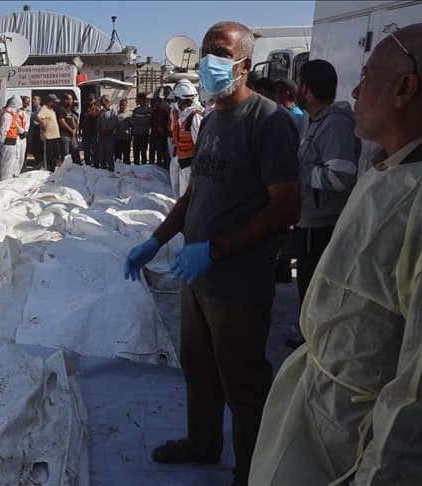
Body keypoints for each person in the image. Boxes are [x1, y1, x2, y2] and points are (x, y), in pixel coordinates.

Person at [251, 23, 422, 485]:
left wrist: (377, 474)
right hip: (323, 415)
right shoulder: (390, 169)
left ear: (404, 88)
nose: (354, 91)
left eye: (366, 77)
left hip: (359, 447)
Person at [124, 21, 300, 486]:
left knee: (242, 379)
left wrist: (218, 249)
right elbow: (195, 193)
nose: (208, 61)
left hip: (237, 280)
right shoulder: (214, 119)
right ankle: (203, 442)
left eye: (220, 52)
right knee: (198, 366)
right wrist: (156, 240)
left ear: (244, 63)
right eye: (204, 52)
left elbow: (286, 206)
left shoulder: (268, 121)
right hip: (196, 276)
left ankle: (251, 470)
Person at [290, 59, 360, 339]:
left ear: (305, 89)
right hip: (309, 220)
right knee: (308, 289)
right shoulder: (317, 121)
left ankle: (313, 342)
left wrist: (299, 172)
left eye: (299, 84)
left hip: (321, 225)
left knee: (315, 289)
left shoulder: (334, 124)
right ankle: (308, 337)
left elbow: (342, 176)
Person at [169, 80, 204, 199]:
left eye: (177, 100)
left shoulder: (194, 117)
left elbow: (200, 144)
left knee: (188, 198)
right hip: (182, 161)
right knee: (181, 195)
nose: (176, 103)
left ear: (183, 100)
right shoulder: (184, 115)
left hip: (190, 164)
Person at [0, 95, 24, 180]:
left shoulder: (12, 115)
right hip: (7, 143)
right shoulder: (7, 115)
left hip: (12, 142)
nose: (19, 110)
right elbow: (4, 129)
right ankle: (4, 181)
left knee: (10, 165)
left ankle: (7, 180)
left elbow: (15, 127)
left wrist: (22, 131)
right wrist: (1, 142)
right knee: (6, 165)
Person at [36, 94, 61, 171]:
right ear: (50, 102)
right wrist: (43, 125)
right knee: (49, 155)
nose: (55, 104)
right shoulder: (44, 108)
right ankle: (48, 169)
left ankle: (53, 168)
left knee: (56, 153)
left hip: (55, 135)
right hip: (48, 136)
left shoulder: (51, 109)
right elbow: (39, 117)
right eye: (54, 102)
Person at [95, 94, 118, 170]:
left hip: (109, 137)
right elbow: (98, 124)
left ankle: (111, 170)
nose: (100, 102)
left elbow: (113, 124)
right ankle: (103, 171)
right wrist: (100, 132)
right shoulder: (101, 112)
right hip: (101, 137)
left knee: (109, 154)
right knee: (101, 154)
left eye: (101, 100)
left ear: (107, 101)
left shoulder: (113, 111)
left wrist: (105, 132)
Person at [57, 93, 80, 165]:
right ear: (65, 100)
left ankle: (77, 167)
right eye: (70, 99)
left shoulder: (69, 109)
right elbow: (62, 121)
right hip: (65, 135)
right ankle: (65, 168)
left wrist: (75, 129)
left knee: (75, 151)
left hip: (72, 135)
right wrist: (70, 130)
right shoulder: (61, 109)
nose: (71, 101)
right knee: (66, 154)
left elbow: (72, 119)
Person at [79, 94, 100, 166]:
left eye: (91, 99)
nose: (90, 101)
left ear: (94, 100)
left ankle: (96, 165)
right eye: (89, 99)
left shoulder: (97, 110)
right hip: (85, 134)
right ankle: (87, 165)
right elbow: (81, 121)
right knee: (86, 150)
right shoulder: (84, 110)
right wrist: (79, 130)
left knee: (95, 151)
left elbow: (100, 122)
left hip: (94, 134)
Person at [149, 96, 169, 166]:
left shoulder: (164, 112)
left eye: (154, 102)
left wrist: (163, 130)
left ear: (159, 103)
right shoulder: (152, 112)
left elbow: (167, 124)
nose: (152, 104)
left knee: (160, 155)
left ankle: (159, 169)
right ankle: (151, 169)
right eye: (152, 102)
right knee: (151, 155)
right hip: (153, 136)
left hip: (161, 137)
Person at [131, 93, 151, 165]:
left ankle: (143, 168)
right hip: (136, 134)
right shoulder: (135, 110)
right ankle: (136, 168)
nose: (136, 100)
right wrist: (139, 120)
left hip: (144, 135)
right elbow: (132, 121)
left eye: (137, 99)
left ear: (142, 100)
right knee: (135, 153)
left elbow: (146, 121)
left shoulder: (148, 110)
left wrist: (138, 120)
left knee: (143, 153)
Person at [15, 95, 31, 176]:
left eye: (28, 103)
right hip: (17, 135)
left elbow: (27, 123)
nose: (26, 104)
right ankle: (14, 172)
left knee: (22, 155)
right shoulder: (16, 111)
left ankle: (19, 172)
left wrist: (25, 131)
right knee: (17, 155)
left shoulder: (27, 112)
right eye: (25, 103)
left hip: (24, 136)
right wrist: (21, 131)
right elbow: (15, 123)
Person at [114, 99, 132, 164]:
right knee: (118, 157)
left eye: (124, 105)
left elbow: (132, 126)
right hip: (118, 138)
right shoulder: (116, 114)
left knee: (126, 157)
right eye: (121, 105)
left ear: (126, 105)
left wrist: (130, 136)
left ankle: (127, 169)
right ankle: (118, 169)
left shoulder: (130, 114)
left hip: (126, 139)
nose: (122, 106)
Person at [28, 95, 43, 166]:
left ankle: (40, 162)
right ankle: (38, 161)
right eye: (33, 99)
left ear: (39, 101)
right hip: (34, 131)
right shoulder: (34, 110)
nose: (33, 101)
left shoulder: (41, 109)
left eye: (35, 99)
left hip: (39, 130)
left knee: (39, 147)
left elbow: (40, 120)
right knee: (35, 147)